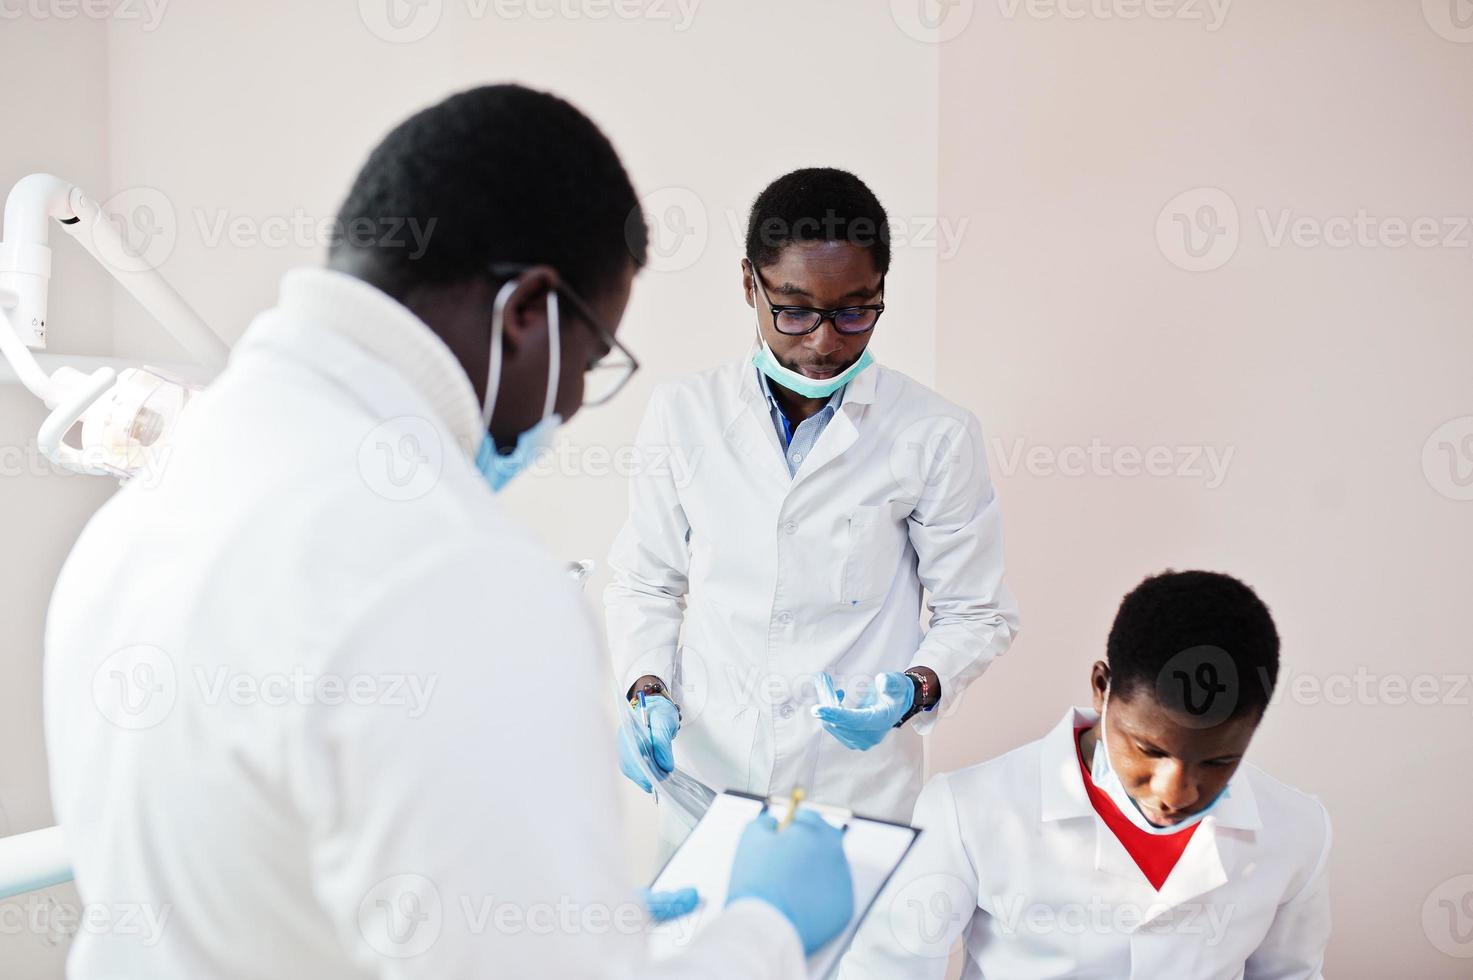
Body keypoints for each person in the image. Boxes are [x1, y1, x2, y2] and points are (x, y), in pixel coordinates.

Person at [43, 84, 851, 979]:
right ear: (525, 314)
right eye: (588, 361)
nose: (574, 402)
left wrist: (553, 913)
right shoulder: (451, 570)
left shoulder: (149, 497)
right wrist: (765, 928)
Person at [606, 168, 1019, 832]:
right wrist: (644, 689)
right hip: (705, 781)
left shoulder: (933, 434)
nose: (824, 341)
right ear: (749, 284)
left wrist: (910, 689)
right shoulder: (684, 413)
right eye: (793, 310)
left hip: (853, 793)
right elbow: (646, 581)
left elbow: (976, 613)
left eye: (855, 311)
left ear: (883, 291)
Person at [837, 570, 1333, 979]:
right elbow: (886, 970)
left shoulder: (1297, 831)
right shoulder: (969, 810)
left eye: (1217, 762)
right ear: (1102, 688)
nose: (1174, 792)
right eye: (1148, 749)